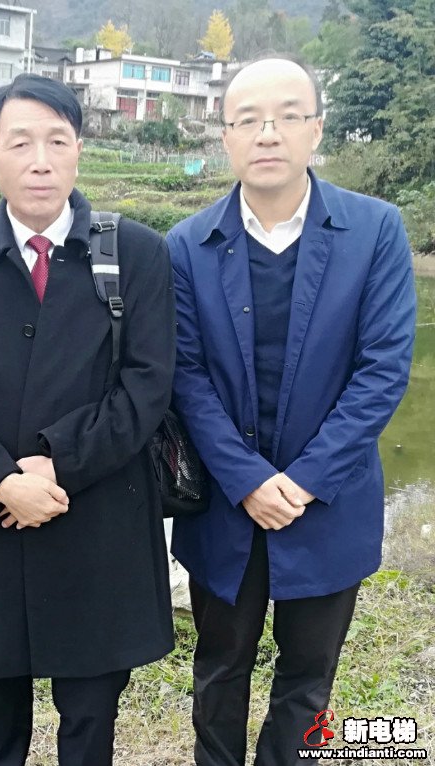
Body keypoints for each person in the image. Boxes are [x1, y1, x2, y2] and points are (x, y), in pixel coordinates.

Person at [0, 73, 175, 766]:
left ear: (78, 151)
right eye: (20, 143)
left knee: (90, 718)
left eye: (58, 141)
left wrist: (59, 463)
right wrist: (1, 480)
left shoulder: (137, 253)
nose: (40, 161)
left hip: (99, 519)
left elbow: (148, 386)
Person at [167, 56, 417, 765]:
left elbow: (381, 370)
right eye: (247, 120)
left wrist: (304, 481)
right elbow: (185, 376)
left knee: (309, 675)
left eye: (286, 116)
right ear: (226, 136)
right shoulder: (187, 245)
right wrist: (247, 479)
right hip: (226, 501)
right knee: (220, 666)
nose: (267, 133)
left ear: (316, 129)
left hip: (328, 497)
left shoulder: (375, 231)